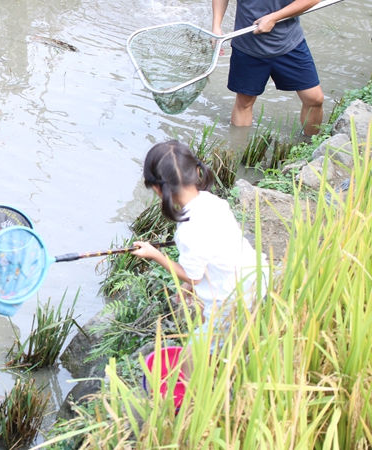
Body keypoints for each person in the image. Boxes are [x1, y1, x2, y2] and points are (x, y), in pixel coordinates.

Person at [131, 141, 268, 350]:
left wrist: (155, 255)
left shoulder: (188, 229)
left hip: (233, 295)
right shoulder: (211, 201)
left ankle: (204, 373)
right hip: (254, 276)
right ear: (196, 171)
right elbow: (210, 253)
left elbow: (193, 276)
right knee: (212, 329)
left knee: (193, 354)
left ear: (158, 189)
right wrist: (188, 286)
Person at [213, 0, 324, 135]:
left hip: (290, 44)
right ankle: (239, 150)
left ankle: (310, 146)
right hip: (248, 47)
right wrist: (216, 26)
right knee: (244, 103)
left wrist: (275, 17)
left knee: (314, 99)